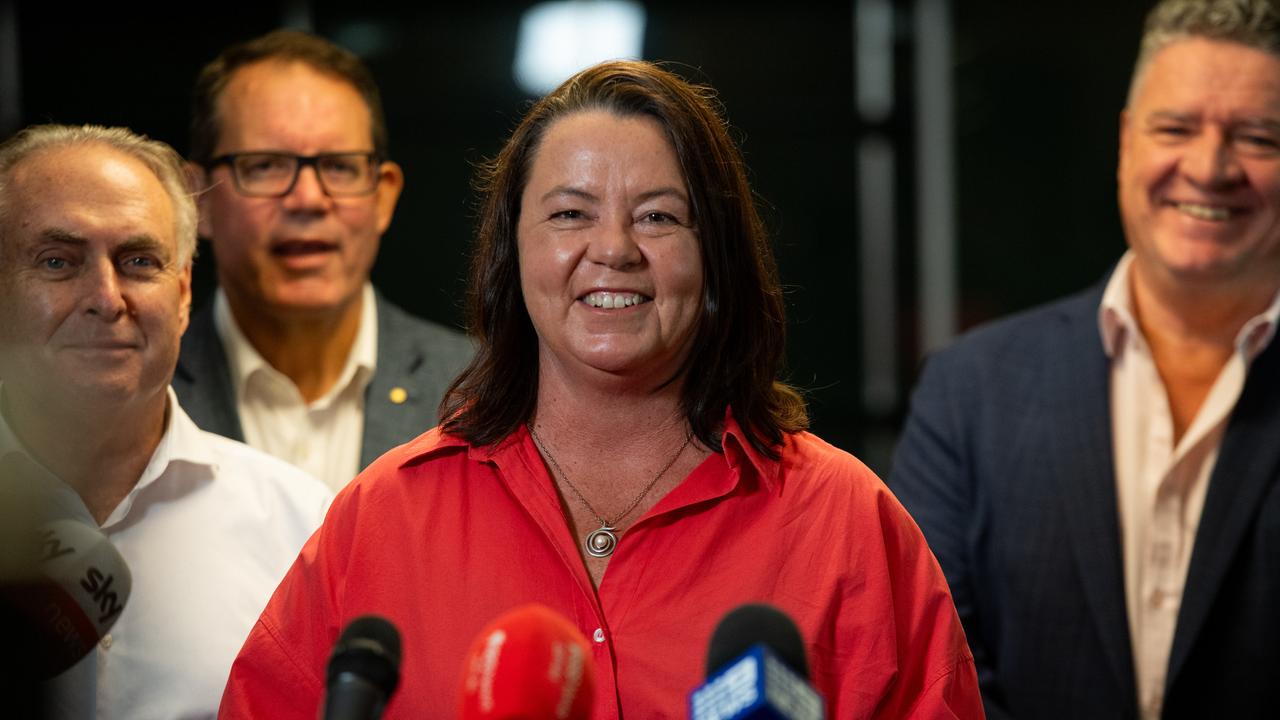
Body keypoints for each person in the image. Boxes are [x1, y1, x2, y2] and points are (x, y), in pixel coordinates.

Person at [218, 60, 983, 718]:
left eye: (658, 216)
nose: (613, 249)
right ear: (511, 251)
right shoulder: (382, 519)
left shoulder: (845, 523)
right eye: (570, 214)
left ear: (715, 255)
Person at [888, 1, 1280, 718]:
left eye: (1257, 137)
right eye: (1176, 128)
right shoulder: (970, 392)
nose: (1210, 166)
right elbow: (933, 674)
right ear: (1128, 142)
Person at [0, 124, 332, 719]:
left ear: (182, 294)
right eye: (57, 261)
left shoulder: (302, 527)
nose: (106, 297)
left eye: (138, 261)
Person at [175, 30, 473, 492]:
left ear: (384, 196)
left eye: (339, 167)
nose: (308, 200)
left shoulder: (483, 394)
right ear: (199, 200)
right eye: (266, 165)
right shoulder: (139, 397)